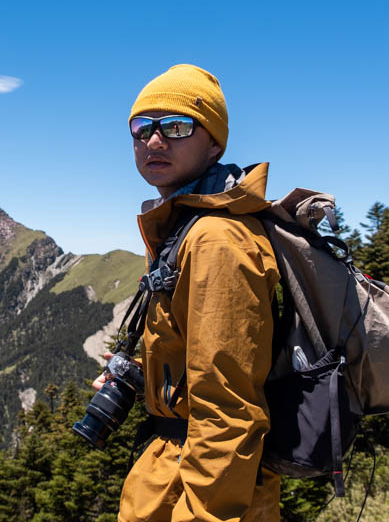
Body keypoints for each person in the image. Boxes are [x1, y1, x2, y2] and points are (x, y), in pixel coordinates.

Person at [107, 64, 282, 521]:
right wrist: (147, 374)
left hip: (200, 486)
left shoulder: (216, 240)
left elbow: (229, 413)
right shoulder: (184, 229)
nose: (154, 140)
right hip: (170, 471)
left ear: (214, 143)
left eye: (177, 125)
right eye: (141, 127)